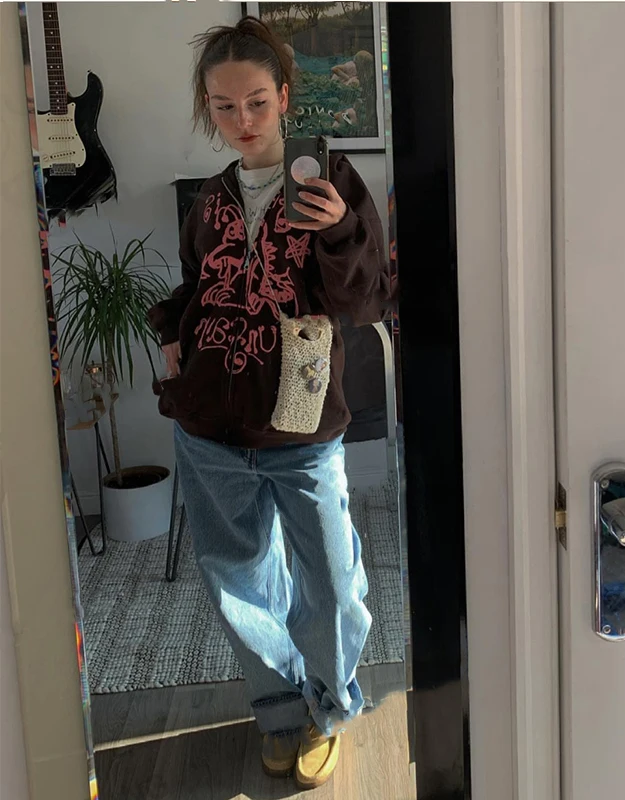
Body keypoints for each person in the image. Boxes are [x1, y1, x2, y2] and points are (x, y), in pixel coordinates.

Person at [147, 16, 390, 790]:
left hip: (301, 424)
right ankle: (281, 714)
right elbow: (199, 284)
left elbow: (366, 299)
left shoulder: (329, 181)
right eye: (223, 106)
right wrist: (170, 329)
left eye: (255, 102)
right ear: (207, 108)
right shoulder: (211, 199)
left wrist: (340, 228)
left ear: (284, 97)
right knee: (239, 581)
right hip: (209, 425)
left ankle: (331, 707)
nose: (241, 121)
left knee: (333, 586)